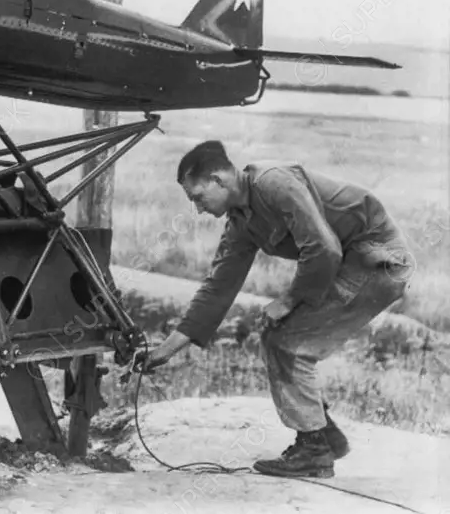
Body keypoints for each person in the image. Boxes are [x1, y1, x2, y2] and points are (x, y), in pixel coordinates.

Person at [139, 140, 414, 478]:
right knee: (279, 337)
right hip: (353, 263)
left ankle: (314, 449)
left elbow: (324, 249)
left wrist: (287, 300)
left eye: (197, 197)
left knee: (288, 342)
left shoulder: (272, 182)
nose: (197, 209)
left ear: (218, 179)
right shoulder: (242, 221)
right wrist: (165, 350)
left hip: (378, 259)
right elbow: (217, 288)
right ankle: (322, 435)